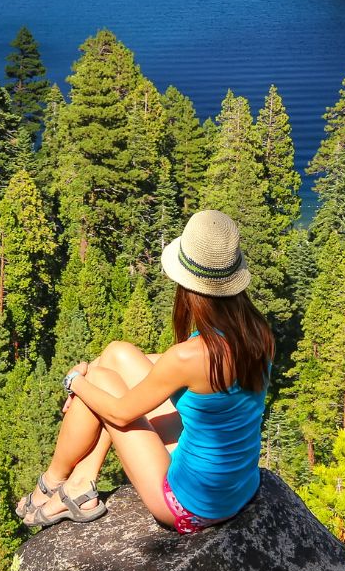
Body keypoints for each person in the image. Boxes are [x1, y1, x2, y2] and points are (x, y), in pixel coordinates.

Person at [15, 210, 274, 534]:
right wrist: (93, 368)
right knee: (115, 354)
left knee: (100, 384)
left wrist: (76, 381)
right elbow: (168, 367)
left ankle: (52, 480)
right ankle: (81, 482)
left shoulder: (188, 357)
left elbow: (122, 414)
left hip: (192, 506)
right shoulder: (258, 332)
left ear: (189, 286)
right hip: (237, 488)